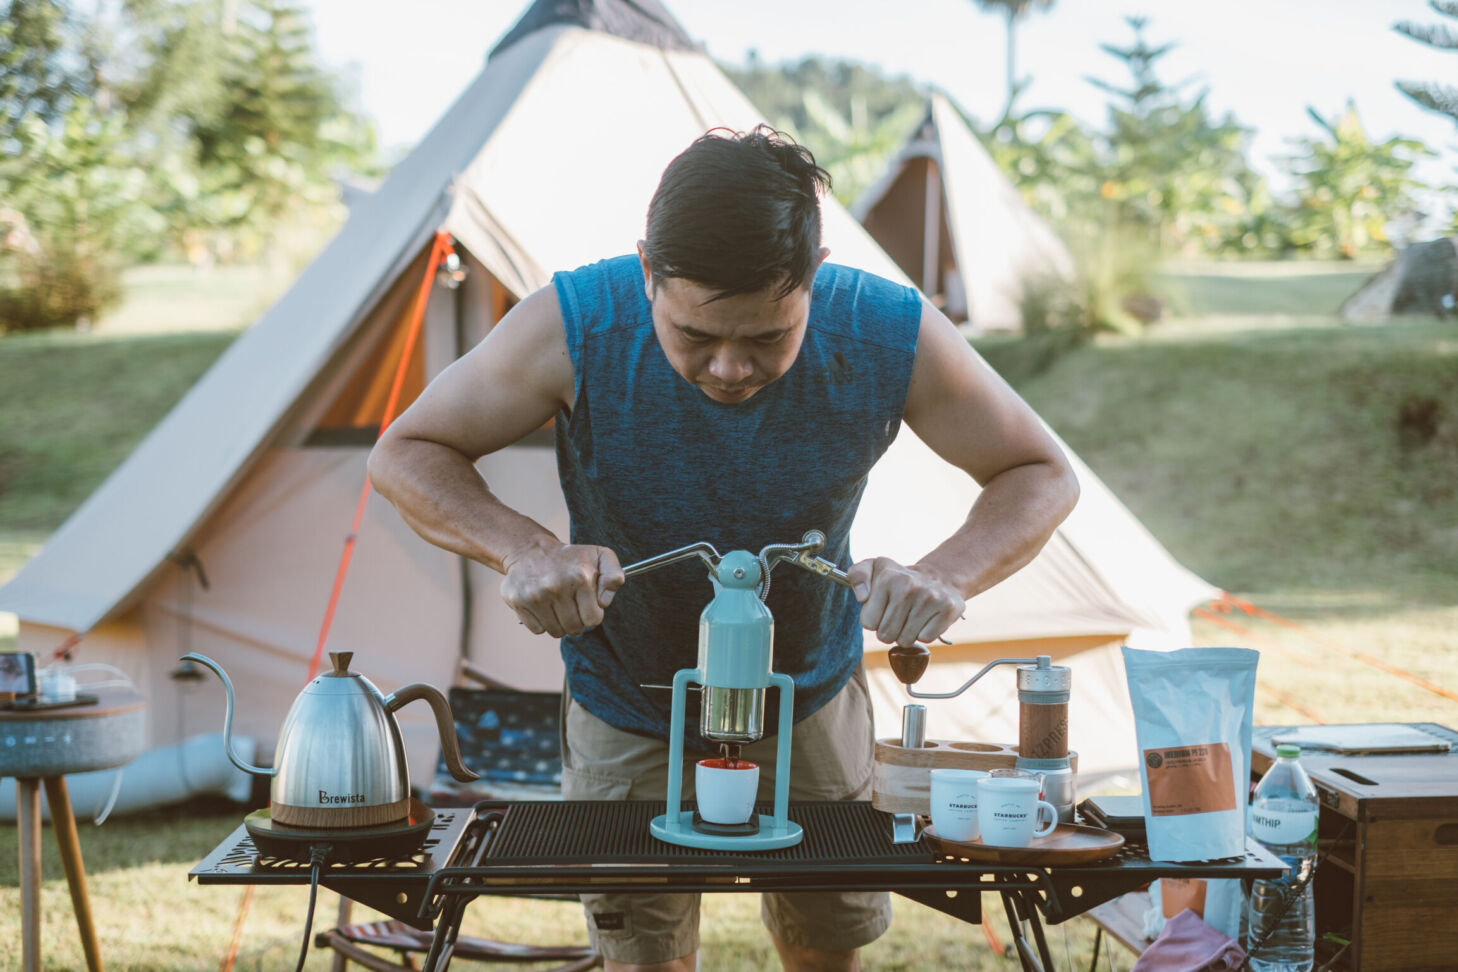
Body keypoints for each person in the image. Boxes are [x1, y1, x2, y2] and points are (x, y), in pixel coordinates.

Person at [368, 126, 1079, 972]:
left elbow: (1040, 472)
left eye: (767, 338)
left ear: (814, 276)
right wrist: (524, 549)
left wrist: (945, 574)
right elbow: (407, 452)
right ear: (648, 272)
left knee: (824, 951)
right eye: (696, 337)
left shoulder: (886, 330)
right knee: (645, 961)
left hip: (809, 695)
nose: (731, 368)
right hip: (627, 699)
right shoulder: (575, 323)